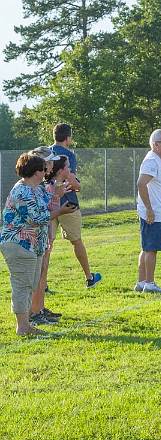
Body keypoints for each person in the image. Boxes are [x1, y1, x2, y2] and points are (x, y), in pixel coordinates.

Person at [1, 152, 76, 336]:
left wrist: (57, 196)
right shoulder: (22, 191)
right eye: (43, 169)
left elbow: (47, 207)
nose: (46, 172)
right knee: (22, 285)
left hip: (33, 245)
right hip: (19, 244)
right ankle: (23, 327)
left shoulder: (37, 188)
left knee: (31, 284)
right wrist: (60, 211)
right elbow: (37, 218)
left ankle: (26, 324)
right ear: (36, 171)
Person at [29, 148, 80, 325]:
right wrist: (57, 198)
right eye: (48, 162)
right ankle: (34, 311)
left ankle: (39, 309)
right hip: (34, 238)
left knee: (42, 274)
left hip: (44, 237)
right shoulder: (39, 185)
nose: (50, 165)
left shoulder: (44, 184)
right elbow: (43, 212)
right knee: (38, 276)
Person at [49, 123, 102, 288]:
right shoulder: (68, 155)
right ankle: (89, 277)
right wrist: (78, 185)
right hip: (67, 202)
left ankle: (42, 283)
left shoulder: (44, 151)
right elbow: (71, 180)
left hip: (47, 201)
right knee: (77, 241)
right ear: (68, 138)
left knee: (47, 243)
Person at [135, 129, 161, 294]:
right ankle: (150, 284)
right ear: (156, 144)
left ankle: (142, 282)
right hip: (154, 213)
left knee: (147, 248)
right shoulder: (152, 160)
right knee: (151, 248)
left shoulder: (156, 160)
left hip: (157, 212)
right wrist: (150, 209)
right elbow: (141, 184)